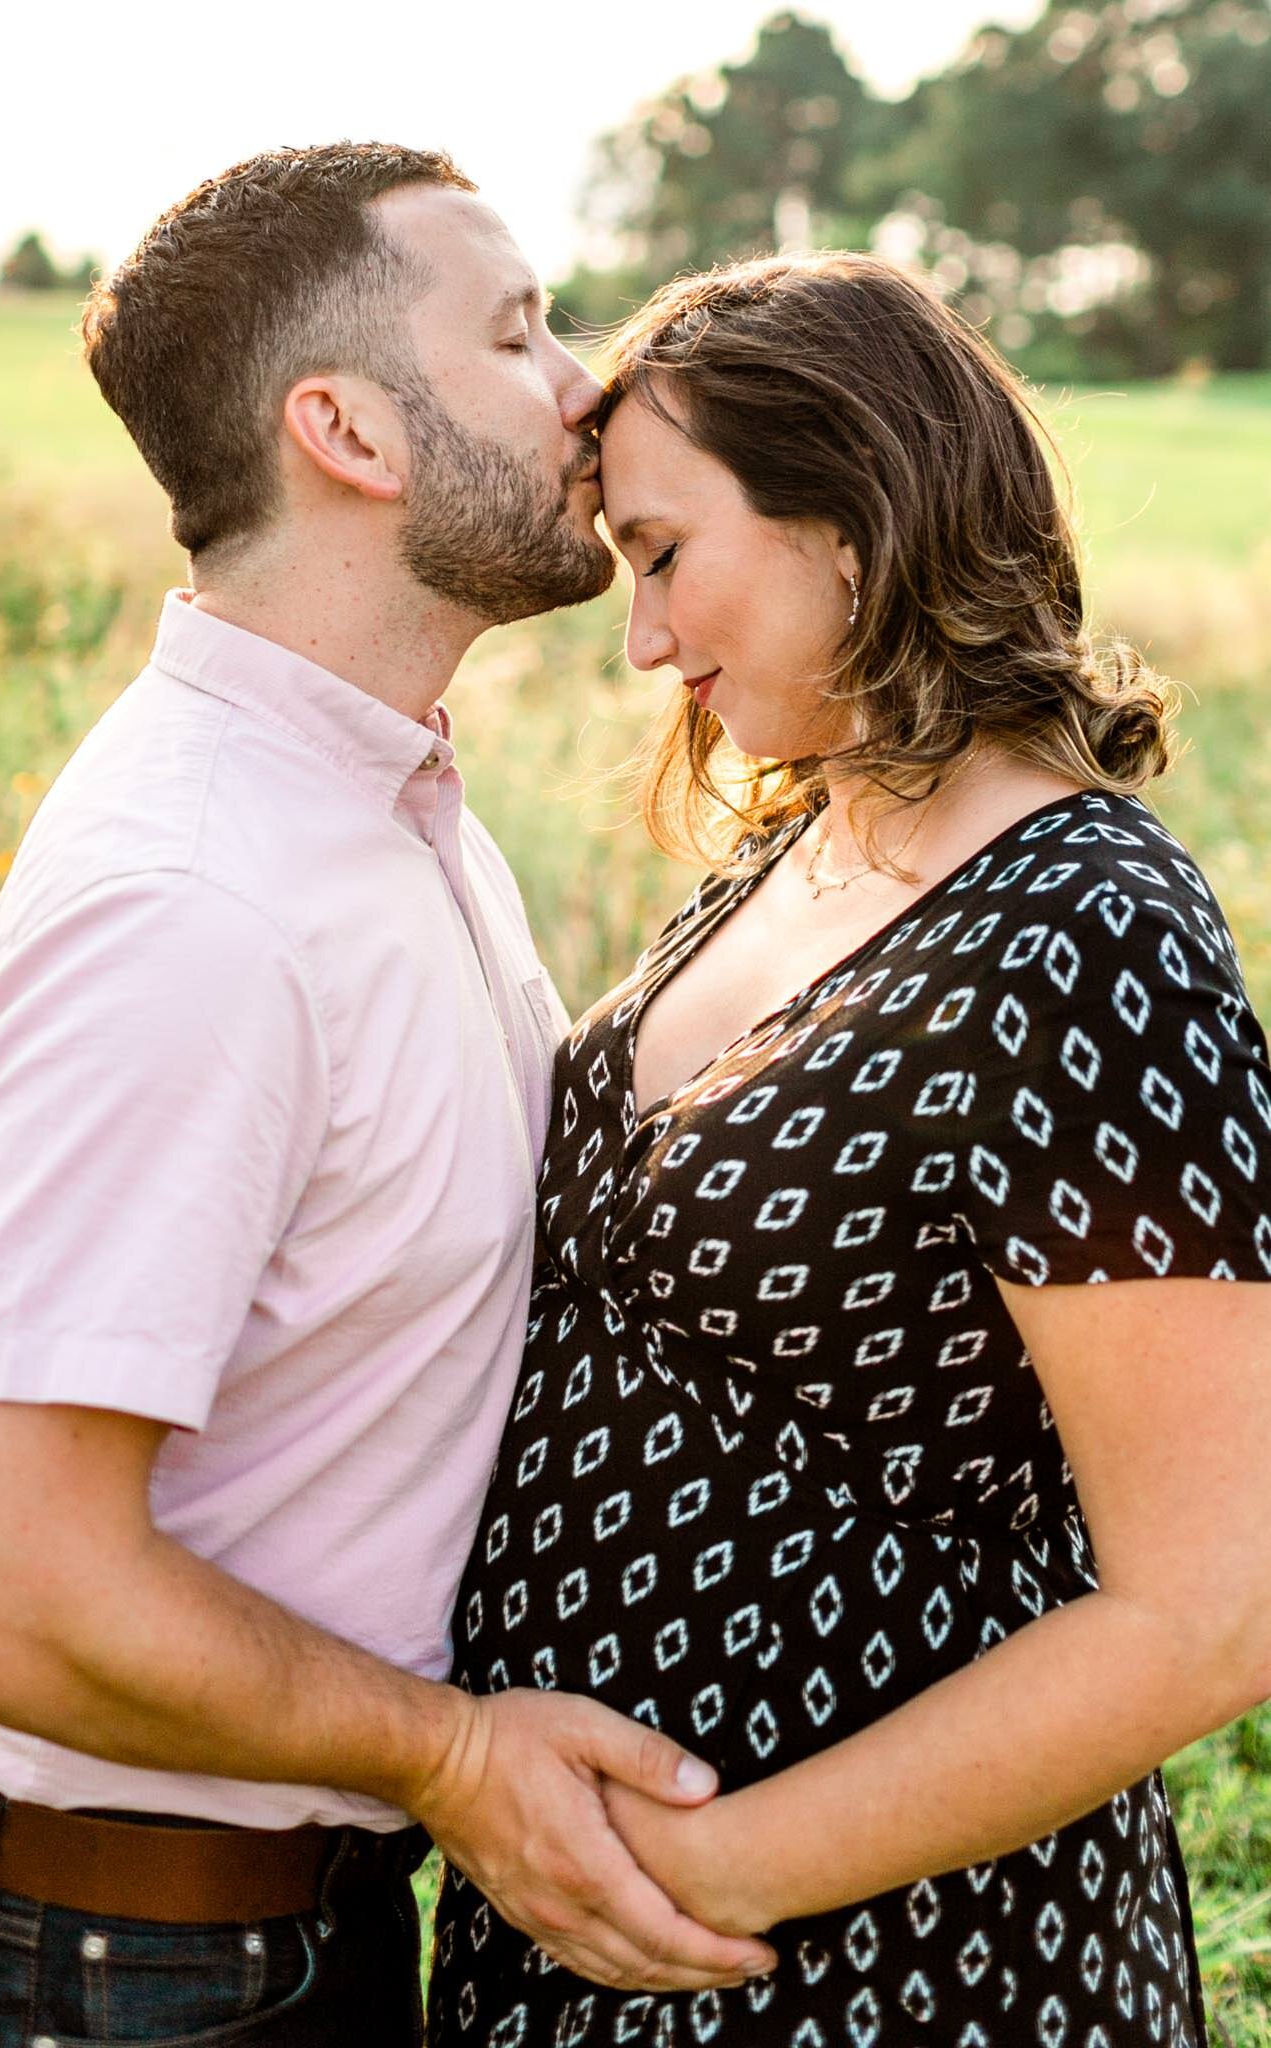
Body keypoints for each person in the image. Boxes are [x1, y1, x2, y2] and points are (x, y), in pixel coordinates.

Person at [0, 144, 778, 2047]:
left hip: (253, 1935)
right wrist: (453, 1758)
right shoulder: (197, 908)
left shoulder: (377, 796)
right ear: (349, 431)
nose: (589, 392)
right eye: (520, 333)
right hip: (99, 1967)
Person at [428, 253, 1271, 2048]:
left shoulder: (1083, 928)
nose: (638, 634)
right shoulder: (799, 845)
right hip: (590, 1927)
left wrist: (715, 1876)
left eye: (661, 552)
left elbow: (1214, 1606)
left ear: (854, 523)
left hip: (874, 1958)